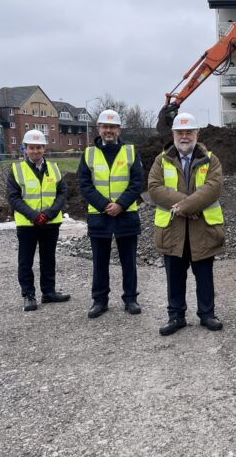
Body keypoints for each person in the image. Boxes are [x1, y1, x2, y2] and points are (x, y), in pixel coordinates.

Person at [148, 112, 225, 336]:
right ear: (173, 134)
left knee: (204, 275)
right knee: (174, 277)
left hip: (202, 229)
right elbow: (154, 189)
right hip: (173, 230)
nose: (184, 136)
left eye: (188, 132)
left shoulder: (211, 159)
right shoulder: (161, 160)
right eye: (180, 132)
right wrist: (185, 206)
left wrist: (185, 207)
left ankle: (207, 314)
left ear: (196, 134)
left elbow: (213, 188)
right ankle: (176, 316)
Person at [78, 109, 143, 318]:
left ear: (119, 129)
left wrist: (121, 205)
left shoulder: (131, 152)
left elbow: (137, 183)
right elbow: (85, 185)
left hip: (126, 215)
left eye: (112, 127)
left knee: (129, 261)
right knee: (99, 262)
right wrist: (105, 205)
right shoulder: (88, 154)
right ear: (99, 129)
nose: (109, 130)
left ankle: (131, 298)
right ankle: (99, 300)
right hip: (100, 216)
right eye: (105, 127)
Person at [7, 129, 69, 311]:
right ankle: (28, 295)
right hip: (28, 224)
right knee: (25, 261)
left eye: (39, 147)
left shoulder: (54, 168)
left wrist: (48, 214)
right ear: (25, 149)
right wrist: (34, 215)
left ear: (44, 148)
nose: (36, 151)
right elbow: (14, 197)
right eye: (32, 148)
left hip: (50, 222)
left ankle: (48, 292)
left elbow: (62, 192)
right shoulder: (17, 170)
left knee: (48, 258)